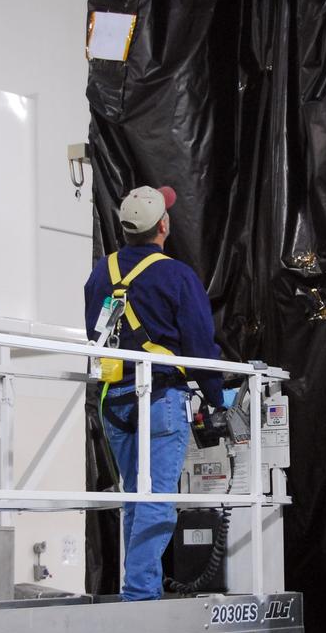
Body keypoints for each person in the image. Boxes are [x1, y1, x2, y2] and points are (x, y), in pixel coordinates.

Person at [84, 185, 225, 601]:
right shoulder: (177, 275)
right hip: (159, 399)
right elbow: (200, 346)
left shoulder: (101, 272)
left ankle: (138, 589)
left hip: (113, 400)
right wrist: (216, 398)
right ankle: (140, 595)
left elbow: (94, 332)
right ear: (163, 225)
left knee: (135, 498)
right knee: (157, 500)